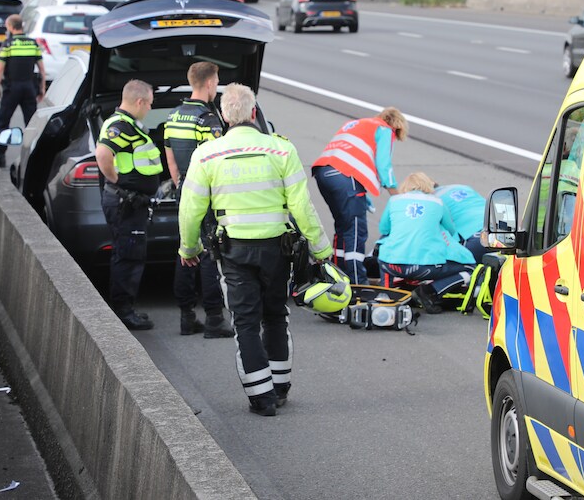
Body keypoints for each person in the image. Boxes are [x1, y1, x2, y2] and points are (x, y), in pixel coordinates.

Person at [178, 84, 332, 417]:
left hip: (233, 252)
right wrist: (321, 249)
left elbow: (190, 209)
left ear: (222, 116)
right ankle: (279, 388)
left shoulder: (206, 154)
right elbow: (302, 207)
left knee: (246, 323)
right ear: (253, 112)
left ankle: (261, 398)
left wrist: (188, 247)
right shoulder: (282, 150)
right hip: (277, 250)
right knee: (276, 316)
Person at [163, 62, 232, 338]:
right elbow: (215, 163)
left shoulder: (174, 116)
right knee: (208, 255)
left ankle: (186, 316)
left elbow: (170, 156)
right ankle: (215, 318)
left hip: (184, 192)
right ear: (209, 83)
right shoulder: (208, 120)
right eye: (216, 81)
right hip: (206, 196)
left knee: (185, 251)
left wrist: (181, 184)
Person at [311, 107, 408, 285]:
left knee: (343, 227)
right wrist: (399, 197)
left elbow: (350, 157)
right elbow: (384, 166)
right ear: (397, 127)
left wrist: (362, 197)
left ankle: (338, 277)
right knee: (356, 230)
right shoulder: (384, 129)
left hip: (323, 172)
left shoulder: (355, 124)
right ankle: (357, 283)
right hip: (345, 176)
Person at [96, 79, 162, 331]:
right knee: (128, 256)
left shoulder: (131, 125)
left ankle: (125, 307)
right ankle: (123, 311)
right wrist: (118, 183)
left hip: (132, 203)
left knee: (130, 254)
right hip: (126, 203)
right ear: (139, 101)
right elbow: (103, 154)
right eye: (150, 104)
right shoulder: (120, 126)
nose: (149, 109)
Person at [376, 172, 476, 313]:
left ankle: (386, 293)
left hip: (392, 265)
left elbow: (384, 229)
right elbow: (451, 230)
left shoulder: (394, 200)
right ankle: (430, 291)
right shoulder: (437, 202)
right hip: (425, 267)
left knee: (385, 254)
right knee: (470, 268)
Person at [0, 14, 46, 167]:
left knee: (4, 121)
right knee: (31, 123)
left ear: (10, 27)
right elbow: (42, 69)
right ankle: (33, 156)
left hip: (12, 89)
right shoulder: (33, 44)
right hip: (29, 88)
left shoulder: (8, 44)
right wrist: (42, 88)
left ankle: (1, 155)